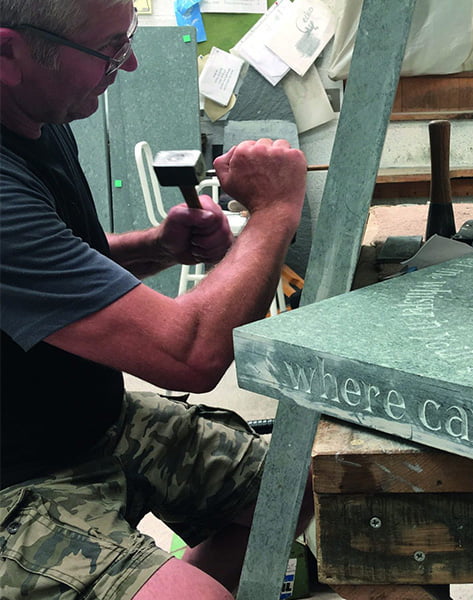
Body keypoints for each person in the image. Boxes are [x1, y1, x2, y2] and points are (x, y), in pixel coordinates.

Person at [0, 0, 312, 598]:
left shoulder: (39, 117)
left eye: (128, 38)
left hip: (88, 424)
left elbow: (52, 275)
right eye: (109, 49)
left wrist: (157, 247)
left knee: (287, 487)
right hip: (15, 475)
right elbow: (188, 355)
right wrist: (276, 212)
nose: (132, 62)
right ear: (8, 52)